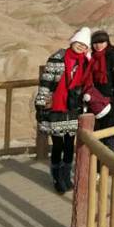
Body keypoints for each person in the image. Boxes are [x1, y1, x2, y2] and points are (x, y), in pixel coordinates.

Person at [35, 27, 92, 194]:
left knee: (69, 144)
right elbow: (46, 82)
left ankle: (66, 176)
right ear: (73, 41)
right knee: (58, 144)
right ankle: (56, 177)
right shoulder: (57, 59)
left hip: (73, 108)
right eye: (79, 42)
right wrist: (41, 102)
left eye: (84, 45)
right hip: (56, 107)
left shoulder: (85, 62)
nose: (81, 46)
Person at [89, 30, 114, 154]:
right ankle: (98, 164)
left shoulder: (113, 56)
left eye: (101, 42)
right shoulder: (93, 58)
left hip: (112, 103)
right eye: (95, 43)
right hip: (97, 103)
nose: (98, 45)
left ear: (107, 42)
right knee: (98, 136)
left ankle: (111, 164)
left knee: (111, 137)